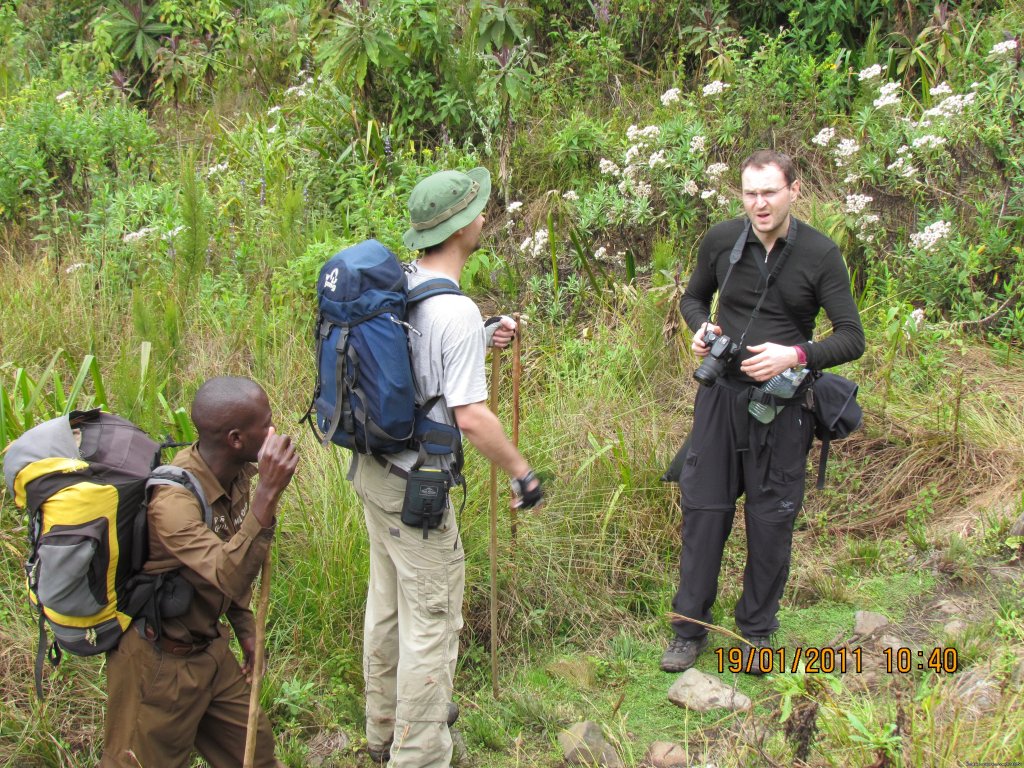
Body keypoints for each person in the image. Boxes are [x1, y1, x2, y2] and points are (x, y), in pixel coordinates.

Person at [352, 166, 543, 767]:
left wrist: (482, 334)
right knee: (432, 622)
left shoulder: (403, 283)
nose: (486, 216)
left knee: (386, 606)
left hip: (374, 474)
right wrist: (522, 472)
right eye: (480, 209)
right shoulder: (454, 312)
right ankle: (420, 757)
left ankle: (382, 732)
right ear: (464, 226)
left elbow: (413, 364)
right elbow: (471, 418)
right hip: (417, 493)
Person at [663, 150, 864, 675]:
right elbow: (692, 299)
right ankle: (689, 631)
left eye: (770, 192)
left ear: (794, 191)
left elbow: (851, 337)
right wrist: (701, 330)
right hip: (719, 400)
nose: (759, 204)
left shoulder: (821, 254)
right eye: (750, 193)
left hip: (783, 405)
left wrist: (795, 355)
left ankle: (755, 634)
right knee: (704, 514)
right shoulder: (721, 239)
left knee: (771, 521)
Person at [101, 376, 299, 767]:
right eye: (266, 422)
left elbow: (232, 554)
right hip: (158, 666)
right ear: (236, 439)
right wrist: (268, 495)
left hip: (210, 651)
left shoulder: (236, 473)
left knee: (256, 757)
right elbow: (229, 573)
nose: (274, 430)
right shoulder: (172, 505)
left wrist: (245, 629)